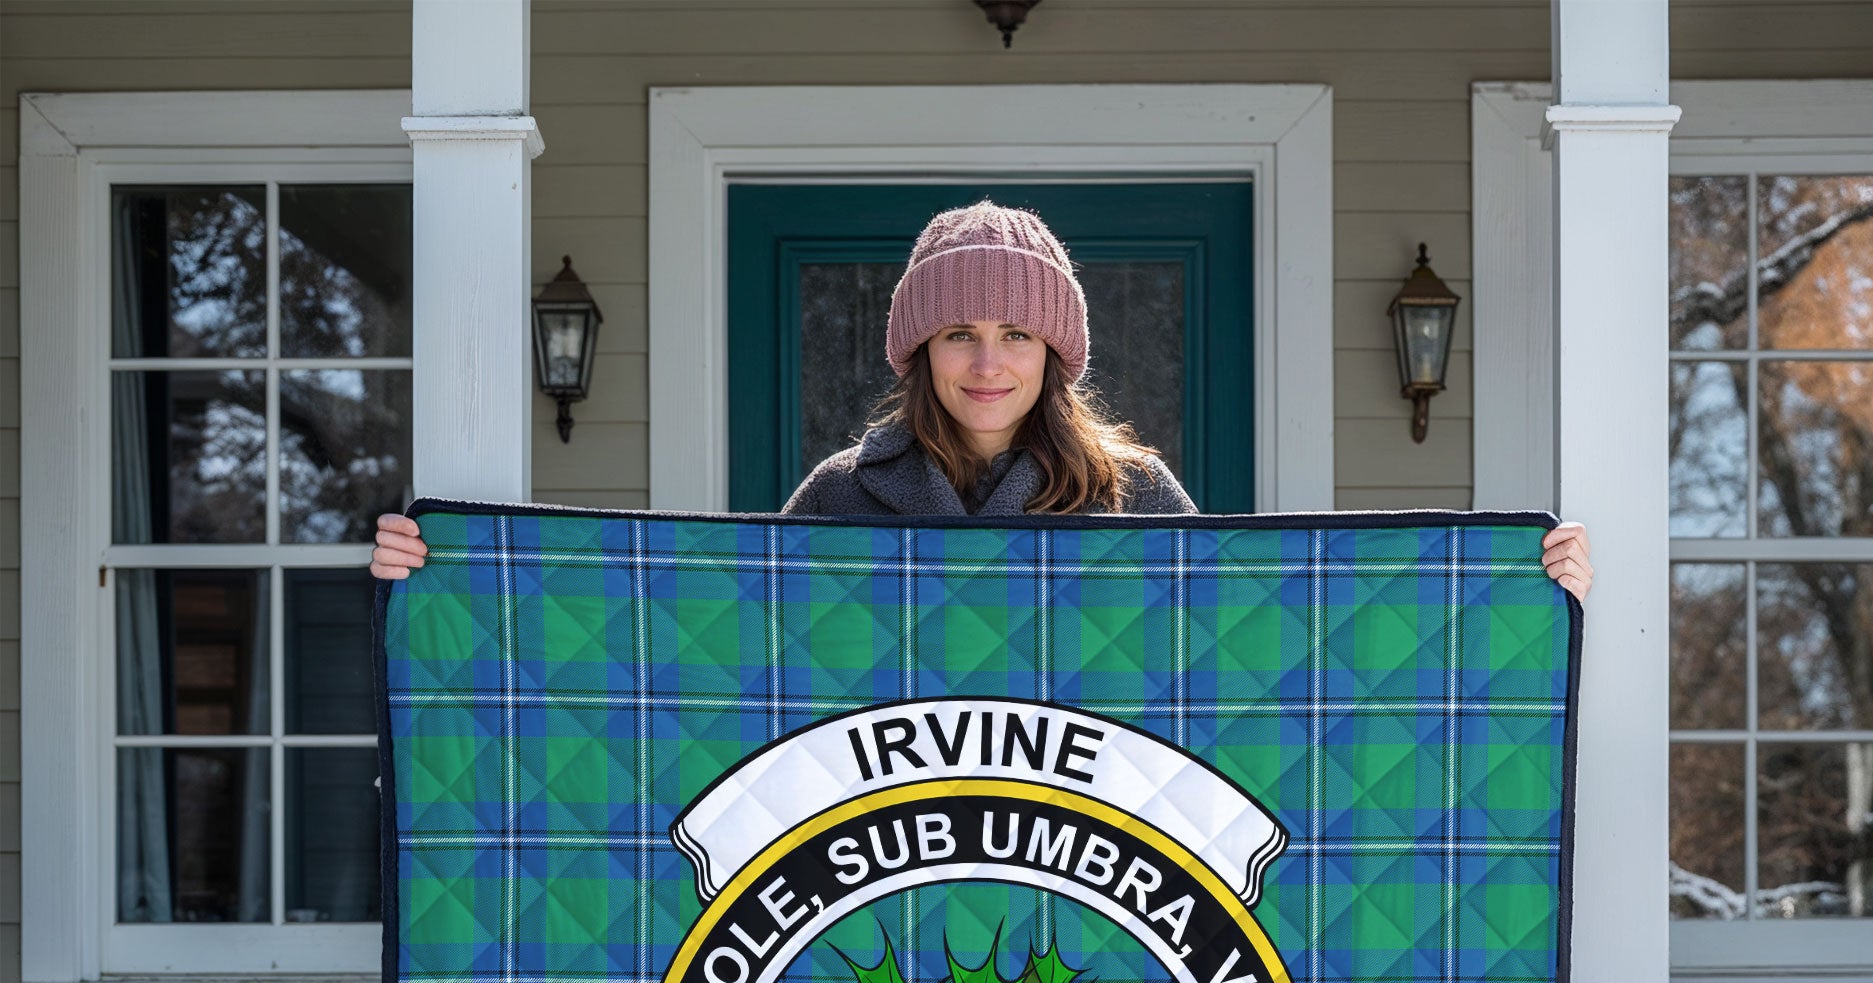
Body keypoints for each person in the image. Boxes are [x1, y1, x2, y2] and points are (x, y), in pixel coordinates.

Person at [372, 198, 1592, 592]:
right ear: (918, 351)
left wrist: (1510, 587)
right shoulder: (840, 495)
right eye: (957, 333)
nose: (986, 360)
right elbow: (718, 633)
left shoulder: (1133, 493)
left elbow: (1250, 643)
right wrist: (454, 572)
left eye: (1015, 334)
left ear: (1055, 354)